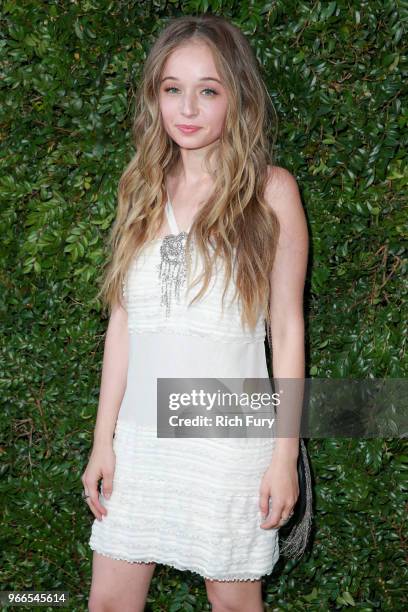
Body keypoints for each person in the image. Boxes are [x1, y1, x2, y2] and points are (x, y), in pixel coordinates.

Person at [82, 14, 309, 612]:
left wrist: (284, 455)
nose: (187, 107)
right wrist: (103, 442)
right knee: (108, 602)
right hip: (139, 439)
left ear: (237, 97)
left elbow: (286, 330)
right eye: (171, 88)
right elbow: (124, 325)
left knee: (233, 604)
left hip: (230, 438)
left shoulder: (270, 192)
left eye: (208, 89)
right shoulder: (140, 190)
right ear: (154, 95)